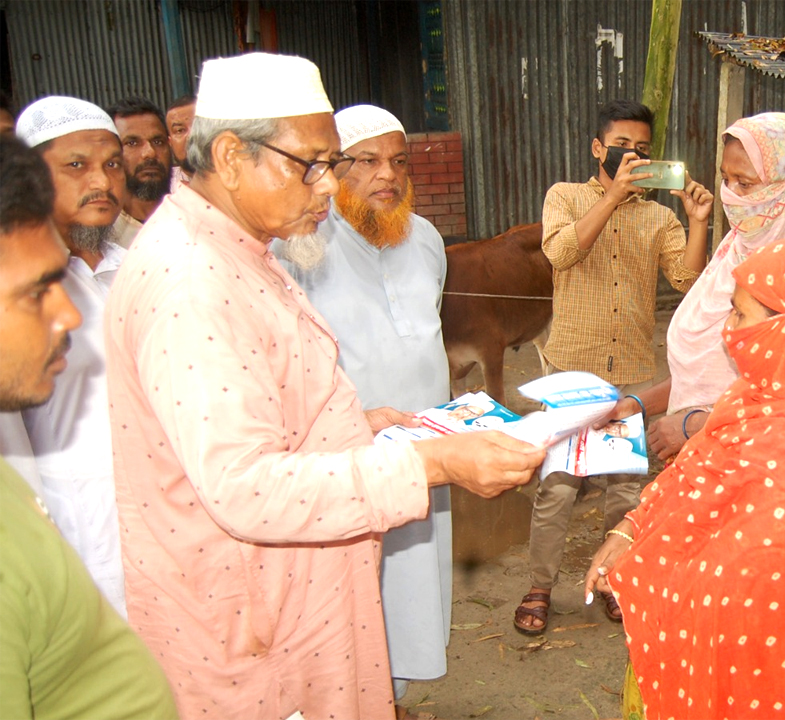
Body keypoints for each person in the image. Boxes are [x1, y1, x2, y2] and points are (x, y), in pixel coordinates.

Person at [104, 52, 544, 719]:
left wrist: (359, 427)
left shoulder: (243, 245)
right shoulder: (193, 280)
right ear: (229, 156)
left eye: (330, 164)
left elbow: (260, 406)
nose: (324, 189)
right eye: (312, 164)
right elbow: (244, 487)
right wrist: (428, 461)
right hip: (255, 622)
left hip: (295, 593)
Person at [585, 238, 785, 719]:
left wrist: (643, 569)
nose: (729, 333)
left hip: (763, 680)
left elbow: (739, 585)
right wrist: (629, 528)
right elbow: (688, 482)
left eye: (740, 316)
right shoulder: (750, 398)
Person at [273, 104, 454, 708]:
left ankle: (391, 694)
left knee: (411, 582)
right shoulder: (301, 246)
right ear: (333, 168)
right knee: (352, 592)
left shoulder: (426, 238)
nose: (389, 175)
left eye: (399, 161)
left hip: (428, 448)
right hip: (348, 458)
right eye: (369, 161)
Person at [515, 100, 712, 633]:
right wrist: (612, 196)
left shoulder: (658, 216)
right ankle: (540, 586)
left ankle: (616, 579)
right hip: (570, 373)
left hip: (629, 369)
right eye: (622, 146)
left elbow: (686, 281)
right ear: (598, 148)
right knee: (558, 484)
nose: (633, 155)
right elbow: (560, 253)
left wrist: (697, 224)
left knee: (626, 484)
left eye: (643, 150)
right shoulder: (566, 196)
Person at [0, 133, 177, 720]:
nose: (68, 317)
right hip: (74, 506)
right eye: (34, 294)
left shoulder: (145, 267)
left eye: (110, 166)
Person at [610, 112, 785, 462]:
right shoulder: (733, 251)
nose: (730, 195)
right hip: (709, 463)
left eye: (745, 183)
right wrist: (641, 403)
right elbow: (711, 374)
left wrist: (695, 425)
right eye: (725, 179)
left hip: (763, 475)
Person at [13, 95, 130, 618]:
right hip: (73, 520)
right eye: (76, 166)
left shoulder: (144, 265)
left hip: (162, 510)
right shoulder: (17, 289)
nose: (101, 183)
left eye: (111, 164)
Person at [107, 96, 172, 248]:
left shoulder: (195, 220)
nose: (149, 153)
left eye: (158, 142)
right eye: (132, 143)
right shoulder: (101, 239)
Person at [165, 94, 194, 193]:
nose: (190, 136)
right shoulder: (163, 188)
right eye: (180, 130)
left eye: (197, 126)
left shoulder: (241, 177)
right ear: (170, 142)